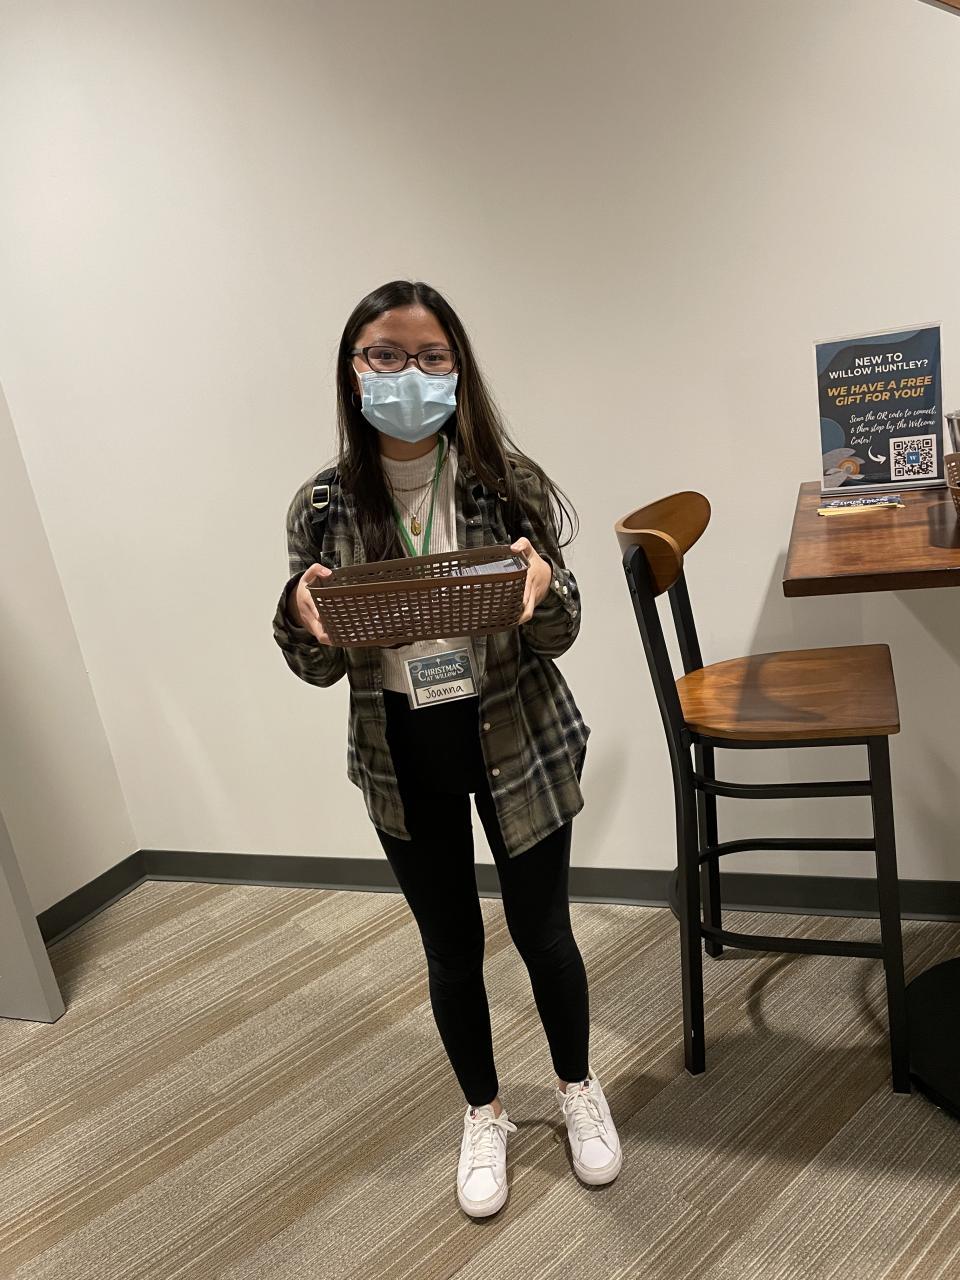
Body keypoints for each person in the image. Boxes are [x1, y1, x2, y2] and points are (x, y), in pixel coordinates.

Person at [272, 279, 622, 1218]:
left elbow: (564, 630)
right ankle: (484, 1111)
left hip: (517, 736)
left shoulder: (505, 483)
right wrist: (301, 614)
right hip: (401, 747)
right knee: (452, 947)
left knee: (544, 932)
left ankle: (578, 1086)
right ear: (352, 372)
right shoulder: (322, 506)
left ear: (458, 370)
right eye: (384, 355)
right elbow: (313, 663)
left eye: (430, 356)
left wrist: (543, 593)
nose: (408, 374)